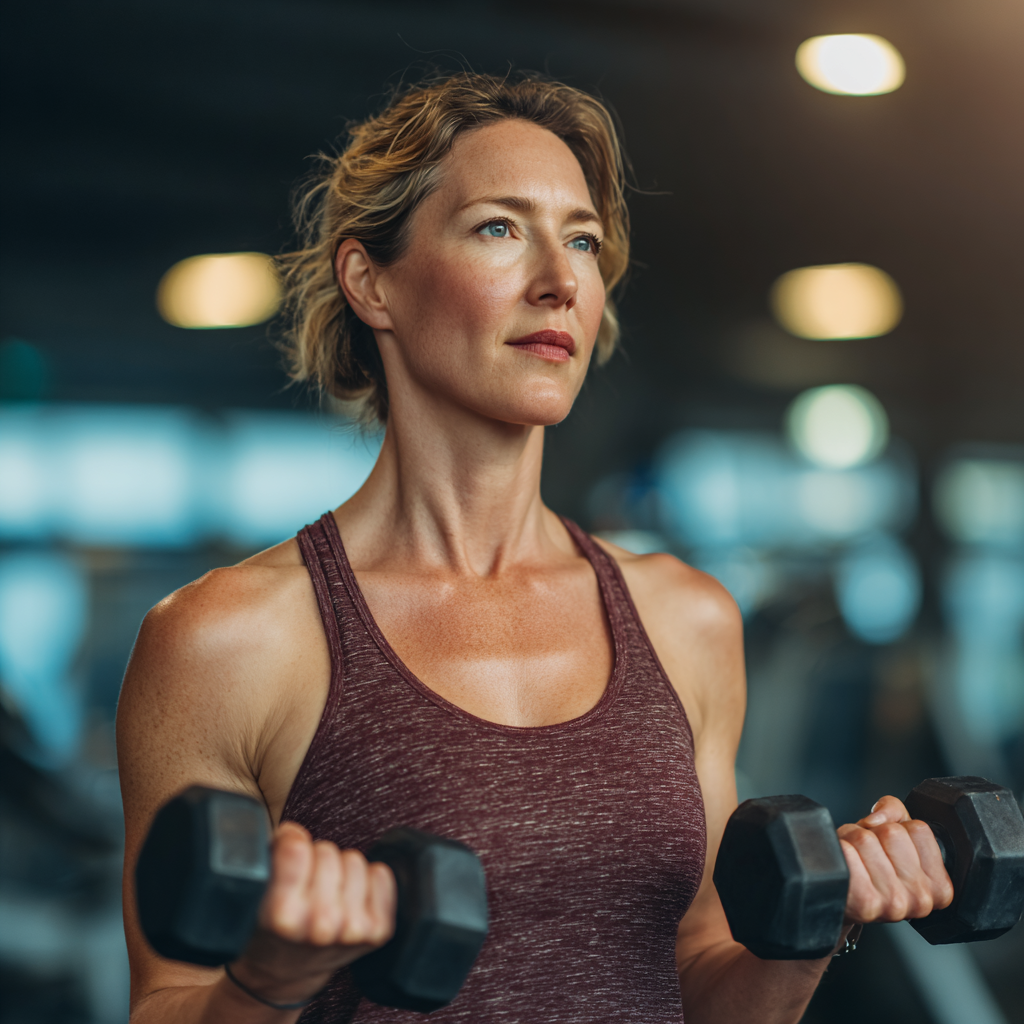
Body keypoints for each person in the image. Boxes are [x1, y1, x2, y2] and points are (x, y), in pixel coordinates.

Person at [117, 73, 953, 1024]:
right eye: (499, 228)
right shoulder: (228, 639)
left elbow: (703, 980)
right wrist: (264, 981)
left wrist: (814, 928)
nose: (560, 279)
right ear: (371, 282)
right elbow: (168, 1002)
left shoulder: (685, 619)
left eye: (584, 240)